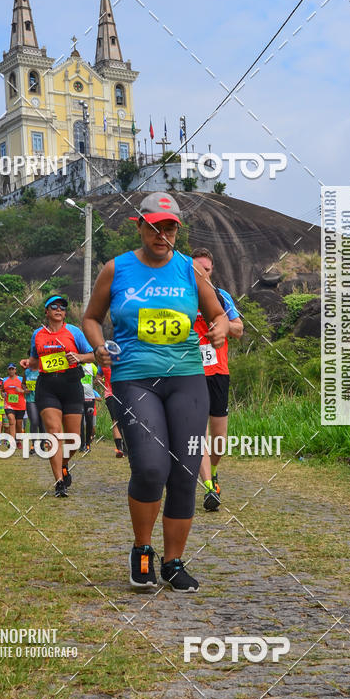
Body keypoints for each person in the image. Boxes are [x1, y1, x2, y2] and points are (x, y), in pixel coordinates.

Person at [83, 192, 230, 591]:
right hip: (134, 377)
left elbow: (219, 316)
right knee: (150, 467)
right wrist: (97, 347)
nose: (162, 234)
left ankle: (173, 562)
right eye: (154, 226)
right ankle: (143, 550)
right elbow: (92, 318)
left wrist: (218, 327)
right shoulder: (117, 269)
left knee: (184, 470)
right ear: (141, 226)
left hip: (187, 377)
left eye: (170, 227)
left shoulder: (189, 271)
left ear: (177, 231)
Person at [20, 295, 94, 498]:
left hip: (71, 385)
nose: (59, 309)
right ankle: (59, 483)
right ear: (46, 311)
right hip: (48, 386)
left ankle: (63, 464)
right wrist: (28, 362)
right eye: (54, 306)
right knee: (53, 432)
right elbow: (35, 361)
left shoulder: (74, 332)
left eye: (63, 306)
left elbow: (93, 354)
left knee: (74, 441)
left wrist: (79, 357)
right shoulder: (38, 334)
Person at [191, 248, 244, 510]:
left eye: (207, 269)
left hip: (218, 373)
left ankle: (212, 472)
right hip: (190, 373)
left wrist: (223, 326)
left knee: (219, 439)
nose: (203, 273)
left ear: (212, 271)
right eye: (197, 268)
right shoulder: (183, 298)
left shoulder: (222, 298)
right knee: (197, 433)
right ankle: (209, 487)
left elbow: (239, 329)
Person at [96, 365, 125, 457]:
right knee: (115, 421)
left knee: (127, 421)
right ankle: (119, 449)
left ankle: (126, 447)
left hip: (126, 394)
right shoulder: (102, 361)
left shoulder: (125, 355)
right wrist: (99, 380)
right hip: (111, 395)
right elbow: (98, 377)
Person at [2, 364, 26, 450]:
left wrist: (21, 390)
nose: (11, 371)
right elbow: (2, 390)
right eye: (9, 369)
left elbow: (27, 390)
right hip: (9, 405)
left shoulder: (21, 379)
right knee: (12, 421)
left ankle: (18, 441)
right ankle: (12, 442)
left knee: (19, 424)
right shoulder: (4, 380)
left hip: (20, 405)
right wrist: (2, 394)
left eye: (13, 369)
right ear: (8, 370)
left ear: (15, 370)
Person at [80, 360, 99, 452]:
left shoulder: (92, 365)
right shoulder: (76, 365)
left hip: (90, 398)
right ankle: (81, 445)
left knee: (89, 421)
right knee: (79, 422)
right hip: (78, 398)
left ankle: (88, 444)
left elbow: (99, 377)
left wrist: (97, 380)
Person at [24, 365, 43, 454]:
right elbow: (23, 383)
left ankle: (43, 444)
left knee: (42, 422)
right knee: (34, 421)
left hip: (42, 399)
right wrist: (25, 389)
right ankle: (34, 445)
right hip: (30, 400)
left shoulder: (42, 369)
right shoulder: (27, 371)